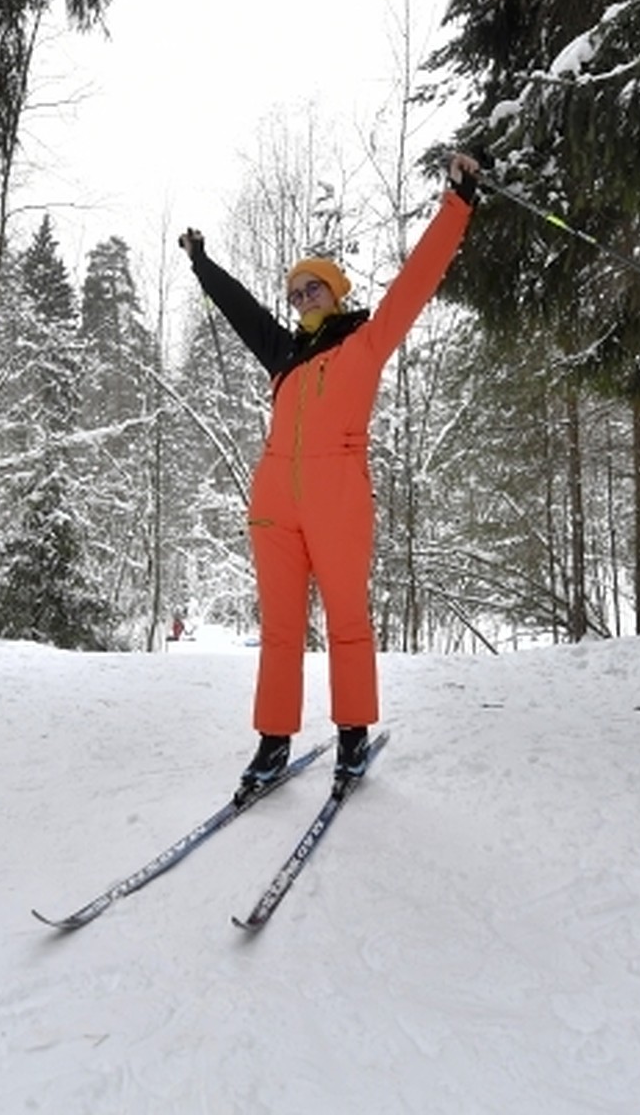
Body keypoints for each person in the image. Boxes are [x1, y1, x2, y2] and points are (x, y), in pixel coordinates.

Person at [178, 152, 480, 799]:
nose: (300, 299)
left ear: (336, 290)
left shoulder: (365, 343)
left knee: (347, 619)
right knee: (281, 628)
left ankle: (351, 735)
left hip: (338, 499)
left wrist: (458, 204)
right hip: (273, 504)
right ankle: (272, 742)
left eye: (311, 288)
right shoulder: (285, 354)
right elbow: (240, 310)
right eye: (293, 293)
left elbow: (417, 283)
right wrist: (203, 264)